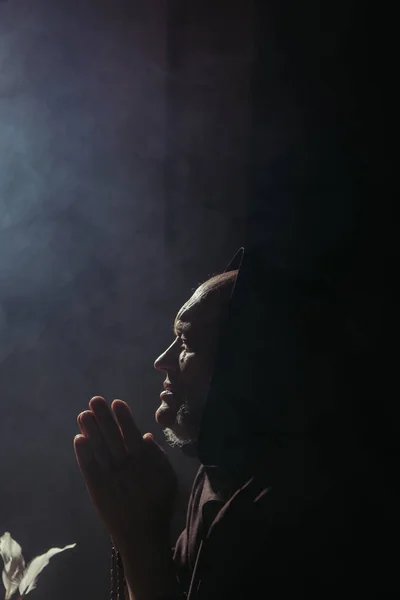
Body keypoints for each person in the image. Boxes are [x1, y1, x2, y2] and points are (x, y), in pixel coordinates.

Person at [74, 247, 398, 600]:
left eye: (186, 341)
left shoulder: (305, 511)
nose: (161, 361)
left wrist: (137, 537)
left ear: (246, 363)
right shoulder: (216, 477)